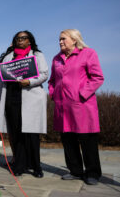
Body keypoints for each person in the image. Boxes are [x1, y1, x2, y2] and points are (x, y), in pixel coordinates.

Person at [48, 29, 104, 185]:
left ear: (74, 40)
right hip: (62, 107)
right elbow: (52, 80)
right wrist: (53, 94)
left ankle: (92, 173)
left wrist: (82, 94)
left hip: (82, 105)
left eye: (63, 39)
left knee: (87, 140)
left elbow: (97, 77)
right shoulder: (56, 59)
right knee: (68, 140)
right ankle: (75, 171)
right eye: (59, 39)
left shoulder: (88, 53)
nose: (60, 42)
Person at [0, 30, 48, 178]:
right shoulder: (8, 56)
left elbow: (44, 74)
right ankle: (19, 165)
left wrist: (29, 81)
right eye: (18, 38)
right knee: (16, 134)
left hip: (30, 97)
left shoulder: (37, 55)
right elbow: (2, 76)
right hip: (12, 97)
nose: (20, 40)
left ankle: (36, 167)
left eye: (24, 38)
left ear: (29, 41)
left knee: (31, 135)